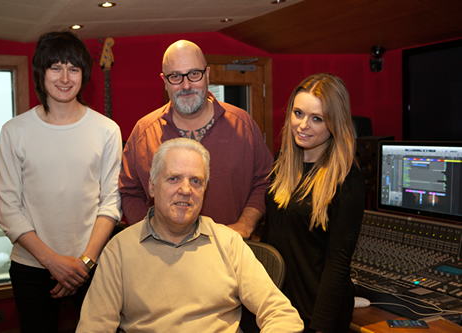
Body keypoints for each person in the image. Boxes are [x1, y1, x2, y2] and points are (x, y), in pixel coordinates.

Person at [77, 138, 304, 332]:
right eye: (174, 178)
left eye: (196, 181)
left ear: (205, 190)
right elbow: (93, 327)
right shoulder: (119, 251)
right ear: (153, 187)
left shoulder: (228, 243)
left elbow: (282, 315)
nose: (185, 190)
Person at [0, 31, 122, 332]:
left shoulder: (107, 130)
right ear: (41, 72)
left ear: (83, 75)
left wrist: (84, 264)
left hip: (90, 264)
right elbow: (7, 209)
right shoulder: (15, 131)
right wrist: (52, 262)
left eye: (73, 69)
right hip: (31, 266)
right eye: (56, 67)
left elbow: (111, 203)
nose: (65, 77)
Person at [119, 40, 273, 238]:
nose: (186, 85)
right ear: (164, 81)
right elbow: (129, 191)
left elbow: (265, 180)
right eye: (175, 76)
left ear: (207, 74)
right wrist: (150, 233)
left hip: (229, 253)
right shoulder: (143, 132)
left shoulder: (242, 125)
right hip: (163, 259)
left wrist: (245, 225)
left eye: (194, 74)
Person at [261, 73, 365, 332]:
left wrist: (320, 327)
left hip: (315, 314)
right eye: (298, 113)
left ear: (334, 123)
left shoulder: (347, 180)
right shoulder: (284, 161)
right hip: (278, 309)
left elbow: (337, 265)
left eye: (316, 118)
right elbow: (272, 234)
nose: (302, 125)